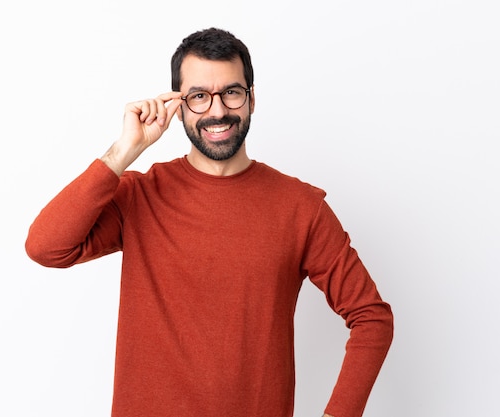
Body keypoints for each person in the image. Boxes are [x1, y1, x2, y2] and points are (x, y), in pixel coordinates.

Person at [25, 27, 393, 417]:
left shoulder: (300, 207)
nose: (217, 111)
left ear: (251, 99)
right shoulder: (141, 195)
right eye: (199, 96)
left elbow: (371, 317)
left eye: (231, 93)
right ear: (178, 105)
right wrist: (123, 151)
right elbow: (46, 247)